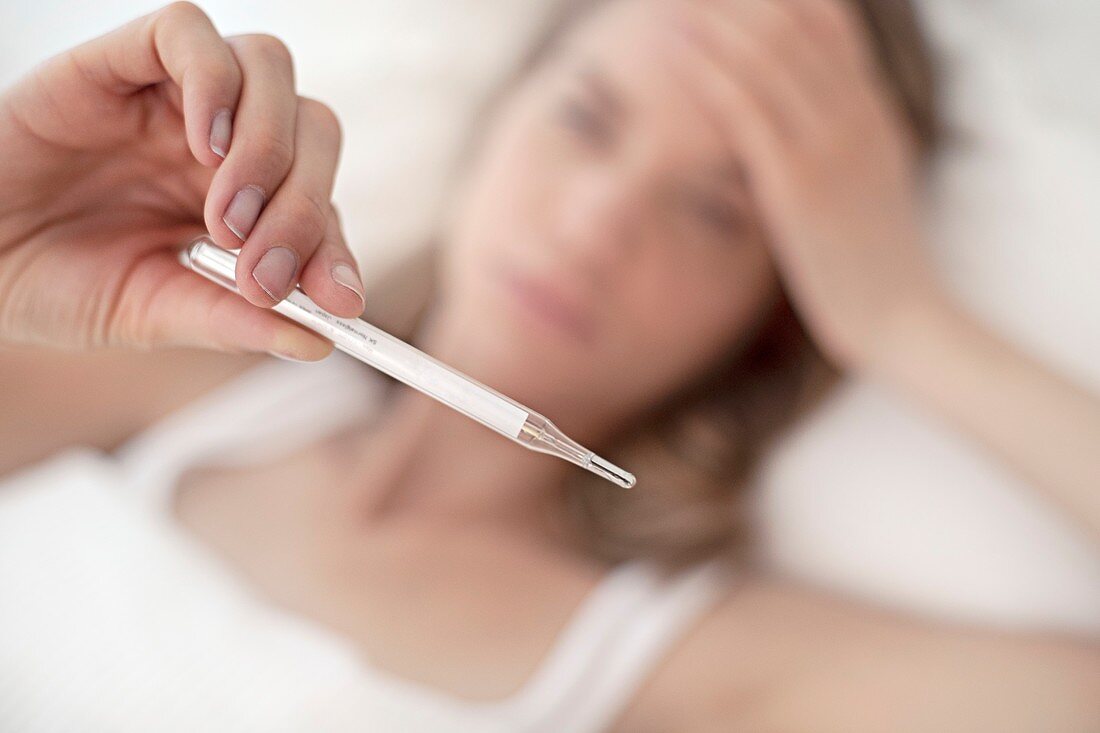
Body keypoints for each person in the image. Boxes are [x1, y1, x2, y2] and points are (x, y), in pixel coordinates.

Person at [0, 1, 1097, 731]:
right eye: (584, 117)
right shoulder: (177, 367)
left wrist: (902, 318)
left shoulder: (683, 665)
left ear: (768, 323)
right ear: (499, 113)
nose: (594, 222)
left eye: (716, 211)